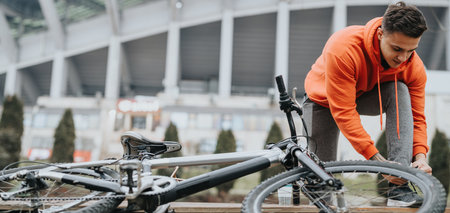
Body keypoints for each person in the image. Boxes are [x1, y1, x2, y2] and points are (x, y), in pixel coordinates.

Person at [302, 1, 431, 207]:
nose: (403, 58)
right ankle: (319, 194)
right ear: (381, 34)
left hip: (365, 94)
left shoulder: (413, 67)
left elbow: (416, 117)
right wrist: (378, 162)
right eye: (397, 48)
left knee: (400, 90)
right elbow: (344, 111)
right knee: (321, 187)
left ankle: (399, 186)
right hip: (323, 101)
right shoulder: (343, 47)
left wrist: (421, 157)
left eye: (410, 50)